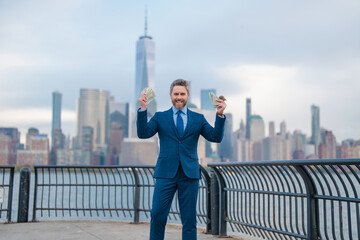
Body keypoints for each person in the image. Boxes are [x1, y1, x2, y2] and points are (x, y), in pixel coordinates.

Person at [137, 79, 227, 240]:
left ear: (188, 95)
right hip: (165, 173)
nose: (179, 97)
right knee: (157, 214)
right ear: (171, 95)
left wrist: (219, 115)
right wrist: (143, 109)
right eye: (176, 94)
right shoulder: (160, 117)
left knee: (189, 220)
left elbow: (215, 137)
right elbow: (143, 133)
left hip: (189, 174)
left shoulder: (198, 119)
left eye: (182, 94)